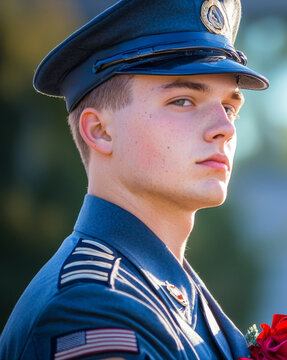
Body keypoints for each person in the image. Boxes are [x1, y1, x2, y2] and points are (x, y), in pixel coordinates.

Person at [0, 0, 268, 359]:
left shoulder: (178, 293)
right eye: (184, 101)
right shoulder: (91, 307)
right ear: (100, 131)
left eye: (230, 107)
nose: (224, 129)